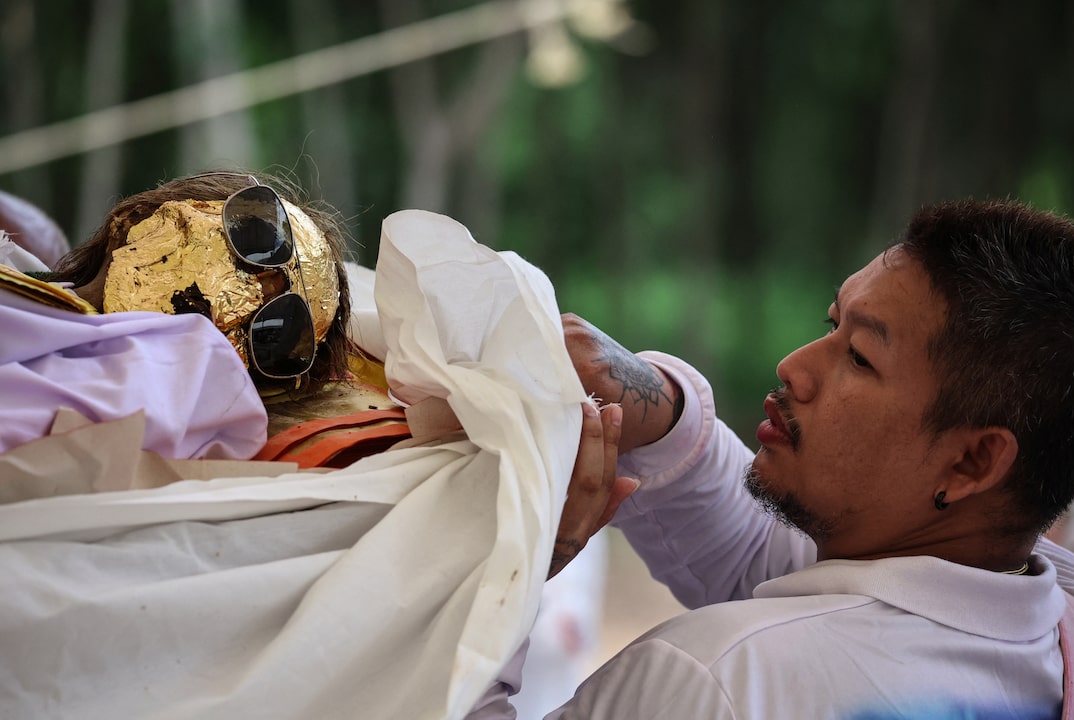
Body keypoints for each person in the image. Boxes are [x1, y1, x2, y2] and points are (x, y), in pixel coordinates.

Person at [0, 173, 630, 719]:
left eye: (276, 332)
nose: (250, 291)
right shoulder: (161, 357)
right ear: (137, 220)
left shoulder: (202, 392)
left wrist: (497, 578)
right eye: (254, 234)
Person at [532, 198, 1074, 718]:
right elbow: (763, 555)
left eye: (860, 357)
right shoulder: (1051, 622)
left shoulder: (717, 681)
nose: (793, 366)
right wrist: (665, 413)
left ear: (972, 462)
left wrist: (514, 566)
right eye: (831, 325)